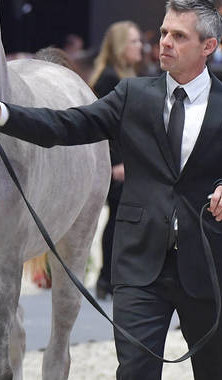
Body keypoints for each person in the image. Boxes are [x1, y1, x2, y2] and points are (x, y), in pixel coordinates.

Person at [0, 0, 222, 380]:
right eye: (164, 31)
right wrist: (3, 113)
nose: (165, 41)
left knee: (218, 372)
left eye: (179, 36)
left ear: (208, 47)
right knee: (133, 373)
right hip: (139, 268)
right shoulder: (133, 96)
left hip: (210, 269)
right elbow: (68, 126)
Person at [86, 20, 143, 299]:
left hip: (130, 161)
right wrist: (115, 162)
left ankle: (115, 276)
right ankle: (106, 278)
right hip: (116, 163)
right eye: (133, 41)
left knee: (125, 219)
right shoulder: (109, 78)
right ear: (121, 45)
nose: (140, 46)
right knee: (118, 219)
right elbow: (103, 126)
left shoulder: (128, 74)